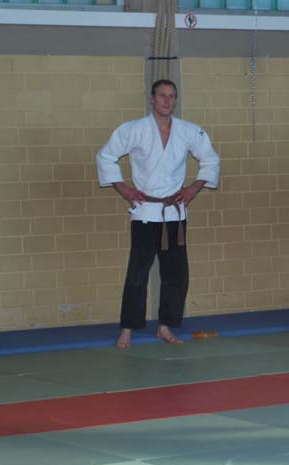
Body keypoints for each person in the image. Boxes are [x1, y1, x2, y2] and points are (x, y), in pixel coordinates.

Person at [96, 79, 220, 349]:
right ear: (152, 99)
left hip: (175, 213)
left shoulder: (189, 131)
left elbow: (211, 159)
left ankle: (165, 327)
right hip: (145, 212)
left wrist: (194, 188)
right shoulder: (134, 129)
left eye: (171, 96)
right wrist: (124, 189)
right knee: (137, 273)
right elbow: (105, 156)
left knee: (176, 274)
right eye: (162, 96)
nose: (167, 100)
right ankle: (127, 329)